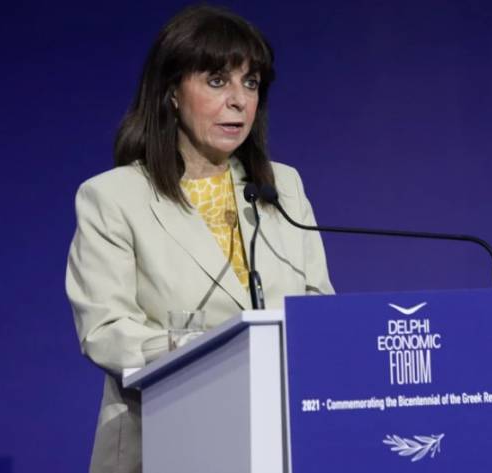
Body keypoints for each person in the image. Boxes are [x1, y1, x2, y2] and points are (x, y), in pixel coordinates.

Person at [65, 5, 333, 473]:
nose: (239, 101)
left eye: (251, 83)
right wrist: (211, 353)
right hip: (168, 437)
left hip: (280, 438)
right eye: (217, 81)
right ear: (171, 91)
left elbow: (318, 307)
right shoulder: (113, 197)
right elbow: (105, 331)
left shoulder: (282, 186)